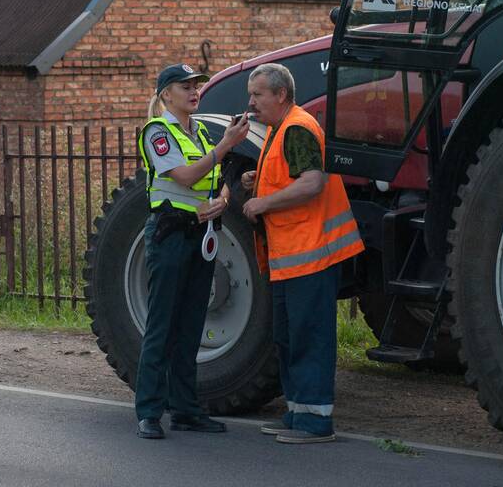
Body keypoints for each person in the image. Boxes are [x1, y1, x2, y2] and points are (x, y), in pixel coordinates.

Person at [240, 63, 364, 444]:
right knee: (290, 336)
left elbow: (312, 183)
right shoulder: (284, 128)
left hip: (309, 253)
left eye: (258, 94)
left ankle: (315, 420)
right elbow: (293, 177)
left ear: (280, 95)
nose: (251, 102)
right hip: (293, 256)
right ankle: (298, 411)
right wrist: (255, 180)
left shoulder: (296, 127)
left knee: (308, 335)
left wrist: (262, 203)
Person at [134, 63, 250, 440]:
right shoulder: (157, 132)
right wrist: (225, 146)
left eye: (196, 84)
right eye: (184, 86)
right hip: (170, 235)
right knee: (162, 326)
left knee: (190, 327)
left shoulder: (199, 131)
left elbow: (219, 180)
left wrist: (223, 200)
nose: (193, 90)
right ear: (166, 94)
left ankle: (185, 409)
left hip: (202, 235)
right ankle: (149, 411)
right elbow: (185, 177)